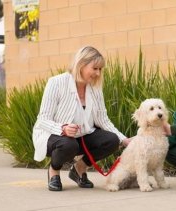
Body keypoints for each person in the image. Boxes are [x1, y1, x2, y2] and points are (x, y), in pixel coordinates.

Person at [32, 46, 130, 191]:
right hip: (53, 136)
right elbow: (43, 119)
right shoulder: (56, 82)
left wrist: (123, 139)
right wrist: (63, 129)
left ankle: (79, 169)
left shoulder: (95, 88)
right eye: (95, 68)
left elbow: (103, 120)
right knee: (69, 145)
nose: (98, 73)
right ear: (81, 65)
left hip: (82, 135)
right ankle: (54, 171)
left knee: (112, 140)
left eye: (100, 69)